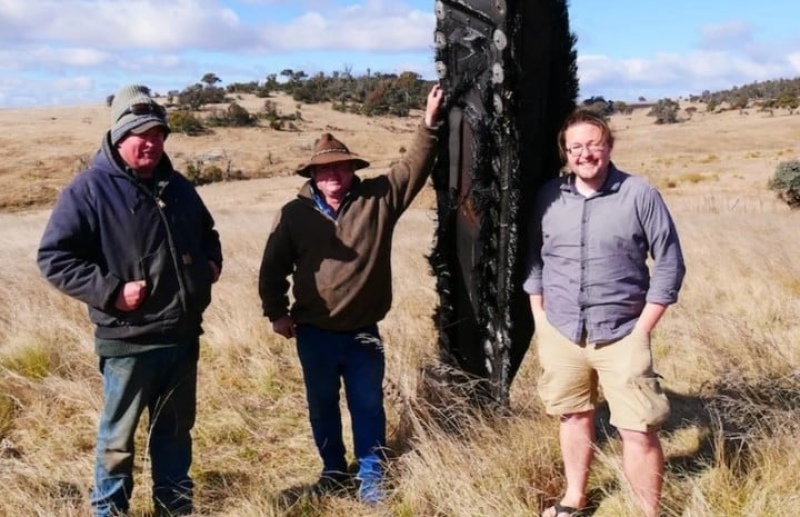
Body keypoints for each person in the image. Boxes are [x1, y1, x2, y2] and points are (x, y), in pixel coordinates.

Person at [37, 84, 222, 517]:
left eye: (159, 134)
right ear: (119, 137)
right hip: (128, 343)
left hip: (180, 339)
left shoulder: (178, 187)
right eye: (142, 134)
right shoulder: (89, 190)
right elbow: (54, 257)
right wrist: (112, 292)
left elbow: (208, 234)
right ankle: (109, 512)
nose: (152, 143)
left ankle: (174, 510)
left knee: (175, 435)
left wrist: (209, 267)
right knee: (118, 441)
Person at [258, 84, 444, 504]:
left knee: (368, 406)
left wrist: (429, 124)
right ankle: (332, 471)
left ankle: (372, 476)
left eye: (340, 168)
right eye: (324, 171)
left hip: (363, 333)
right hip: (313, 333)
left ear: (352, 169)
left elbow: (413, 166)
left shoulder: (378, 199)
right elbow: (272, 268)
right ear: (312, 176)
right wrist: (276, 313)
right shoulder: (293, 215)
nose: (333, 176)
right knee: (322, 407)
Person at [523, 108, 686, 517]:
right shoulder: (548, 197)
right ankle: (574, 499)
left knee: (637, 428)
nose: (585, 154)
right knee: (574, 417)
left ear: (609, 146)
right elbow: (535, 261)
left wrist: (643, 328)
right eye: (575, 146)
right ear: (566, 152)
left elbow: (669, 262)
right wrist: (541, 318)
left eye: (593, 144)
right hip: (561, 331)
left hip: (622, 332)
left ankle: (647, 511)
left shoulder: (639, 194)